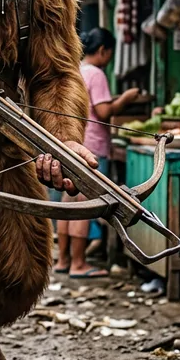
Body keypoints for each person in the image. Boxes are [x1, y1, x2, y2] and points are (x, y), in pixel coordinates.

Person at [55, 28, 141, 278]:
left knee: (67, 203)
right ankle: (79, 264)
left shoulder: (76, 70)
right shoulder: (97, 74)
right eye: (110, 54)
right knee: (85, 205)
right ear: (103, 50)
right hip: (90, 148)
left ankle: (63, 260)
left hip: (71, 143)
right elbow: (103, 112)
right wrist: (125, 98)